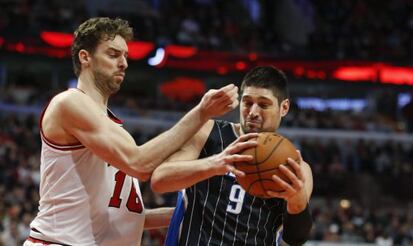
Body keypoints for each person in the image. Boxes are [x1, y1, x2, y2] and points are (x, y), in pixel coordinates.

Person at [23, 17, 247, 246]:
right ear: (85, 57)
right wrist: (201, 113)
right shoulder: (69, 102)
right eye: (113, 54)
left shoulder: (113, 127)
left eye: (125, 56)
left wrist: (194, 211)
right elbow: (139, 164)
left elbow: (123, 215)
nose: (123, 63)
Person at [151, 66, 314, 245]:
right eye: (247, 102)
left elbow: (296, 238)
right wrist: (214, 164)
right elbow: (160, 180)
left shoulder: (295, 167)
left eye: (263, 104)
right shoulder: (208, 132)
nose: (253, 112)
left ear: (284, 108)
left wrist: (296, 200)